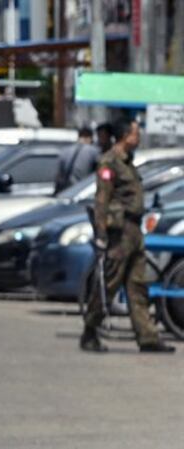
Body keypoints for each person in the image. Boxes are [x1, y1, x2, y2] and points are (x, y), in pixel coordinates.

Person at [80, 120, 175, 354]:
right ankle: (90, 330)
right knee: (110, 283)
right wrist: (101, 234)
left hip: (134, 230)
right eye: (135, 132)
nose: (139, 136)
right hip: (118, 233)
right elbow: (102, 200)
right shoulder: (110, 162)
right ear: (124, 136)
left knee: (137, 286)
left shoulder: (129, 163)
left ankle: (148, 337)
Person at [53, 127, 99, 194]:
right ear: (91, 138)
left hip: (66, 191)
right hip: (84, 191)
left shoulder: (65, 151)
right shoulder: (94, 151)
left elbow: (59, 176)